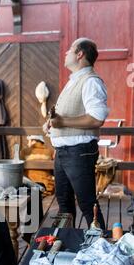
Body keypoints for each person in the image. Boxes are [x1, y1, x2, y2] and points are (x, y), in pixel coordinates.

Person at [43, 38, 108, 229]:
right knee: (64, 204)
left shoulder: (91, 82)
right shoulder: (75, 80)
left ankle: (100, 246)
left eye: (70, 50)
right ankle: (65, 243)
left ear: (80, 54)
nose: (66, 53)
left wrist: (61, 122)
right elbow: (68, 115)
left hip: (79, 152)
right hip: (64, 152)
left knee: (87, 204)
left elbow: (97, 118)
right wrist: (51, 124)